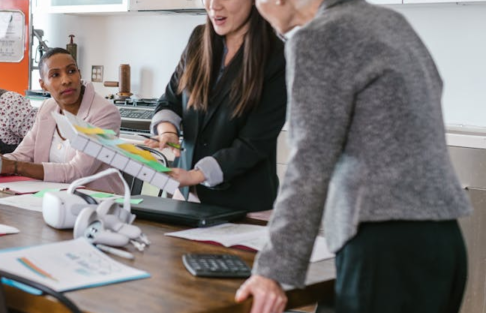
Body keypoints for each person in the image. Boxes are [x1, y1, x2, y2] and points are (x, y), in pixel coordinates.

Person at [237, 0, 472, 311]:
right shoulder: (389, 21)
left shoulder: (318, 37)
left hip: (384, 248)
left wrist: (272, 271)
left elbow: (308, 163)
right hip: (444, 241)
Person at [146, 0, 287, 212]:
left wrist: (195, 175)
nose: (213, 5)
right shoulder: (198, 40)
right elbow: (170, 100)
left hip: (244, 206)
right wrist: (168, 131)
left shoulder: (277, 55)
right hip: (186, 195)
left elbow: (253, 144)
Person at [2, 48, 125, 194]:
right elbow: (23, 155)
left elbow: (78, 172)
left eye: (71, 71)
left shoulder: (105, 113)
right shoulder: (47, 108)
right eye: (55, 75)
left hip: (98, 204)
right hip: (52, 199)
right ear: (43, 84)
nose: (66, 80)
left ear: (79, 74)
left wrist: (15, 166)